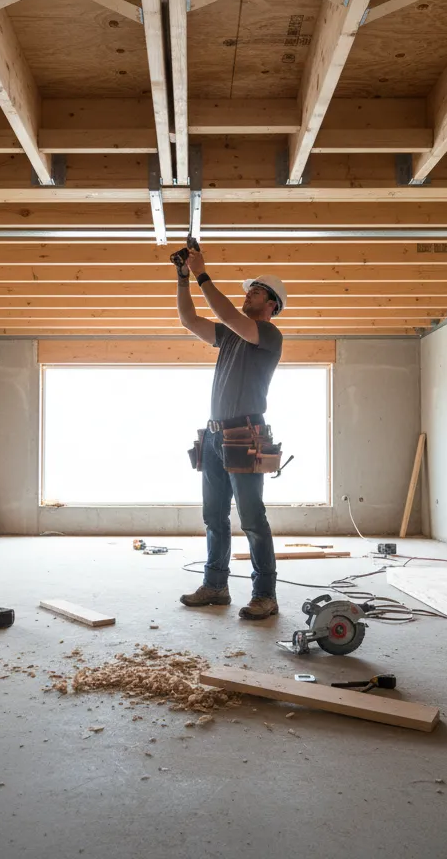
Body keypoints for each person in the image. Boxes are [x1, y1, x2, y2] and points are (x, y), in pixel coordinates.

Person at [174, 243, 287, 620]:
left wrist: (203, 272)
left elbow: (223, 310)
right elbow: (190, 320)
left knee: (252, 519)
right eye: (250, 290)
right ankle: (216, 587)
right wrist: (183, 278)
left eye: (256, 291)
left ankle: (265, 594)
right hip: (216, 437)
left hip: (245, 436)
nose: (249, 294)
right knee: (214, 517)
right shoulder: (230, 336)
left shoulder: (268, 336)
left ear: (272, 305)